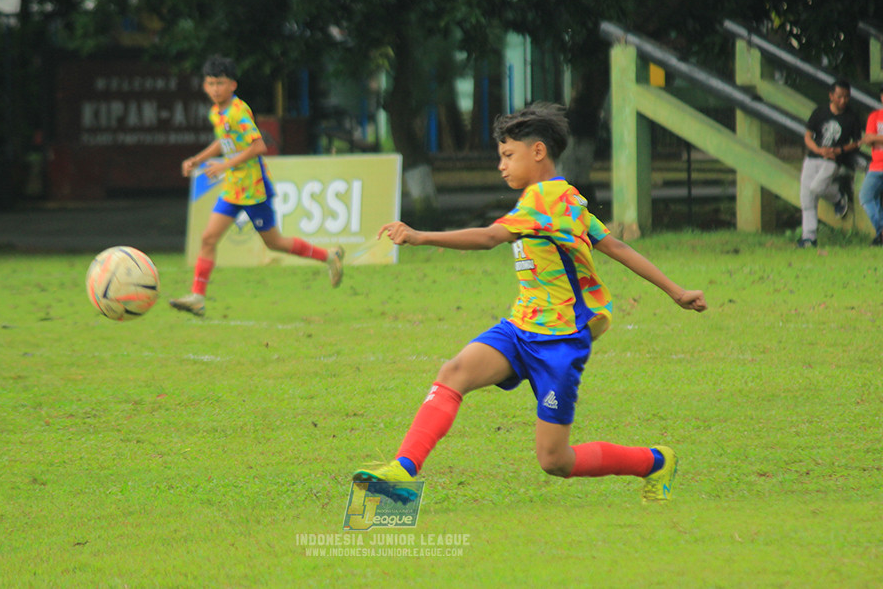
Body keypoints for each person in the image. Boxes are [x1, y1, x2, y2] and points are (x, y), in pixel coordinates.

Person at [352, 102, 707, 504]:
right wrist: (676, 291)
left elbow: (491, 237)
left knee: (555, 460)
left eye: (508, 155)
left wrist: (420, 236)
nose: (501, 166)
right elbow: (617, 246)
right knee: (454, 373)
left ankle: (655, 462)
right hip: (521, 329)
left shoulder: (546, 200)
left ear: (537, 151)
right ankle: (403, 469)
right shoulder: (565, 198)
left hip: (560, 341)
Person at [169, 56, 344, 316]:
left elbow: (259, 146)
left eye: (220, 83)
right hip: (233, 188)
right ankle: (197, 297)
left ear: (232, 85)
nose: (215, 88)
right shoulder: (216, 112)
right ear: (205, 86)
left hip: (254, 189)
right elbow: (224, 141)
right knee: (208, 238)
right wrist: (198, 159)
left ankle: (329, 256)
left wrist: (224, 165)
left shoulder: (238, 111)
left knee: (275, 243)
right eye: (210, 83)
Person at [797, 79, 864, 248]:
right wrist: (819, 150)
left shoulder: (852, 117)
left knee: (816, 188)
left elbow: (857, 142)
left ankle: (838, 196)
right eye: (839, 96)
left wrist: (839, 150)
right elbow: (808, 136)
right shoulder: (820, 112)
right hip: (813, 157)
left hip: (834, 160)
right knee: (806, 197)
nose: (843, 100)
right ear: (831, 96)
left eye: (846, 97)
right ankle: (809, 237)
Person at [858, 84, 883, 246]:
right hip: (876, 166)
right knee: (866, 196)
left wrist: (876, 137)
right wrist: (872, 138)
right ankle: (881, 231)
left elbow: (872, 138)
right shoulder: (875, 116)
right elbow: (867, 139)